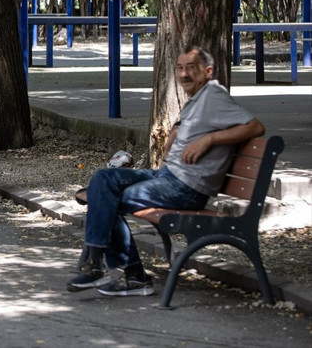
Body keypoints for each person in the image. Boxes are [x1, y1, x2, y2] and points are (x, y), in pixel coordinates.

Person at [67, 45, 265, 297]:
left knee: (104, 197)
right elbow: (194, 121)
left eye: (190, 68)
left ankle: (110, 269)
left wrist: (210, 140)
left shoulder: (214, 96)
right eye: (180, 68)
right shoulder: (199, 98)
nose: (183, 74)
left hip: (186, 188)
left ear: (208, 71)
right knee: (104, 178)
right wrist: (177, 127)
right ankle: (109, 268)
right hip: (167, 177)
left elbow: (255, 127)